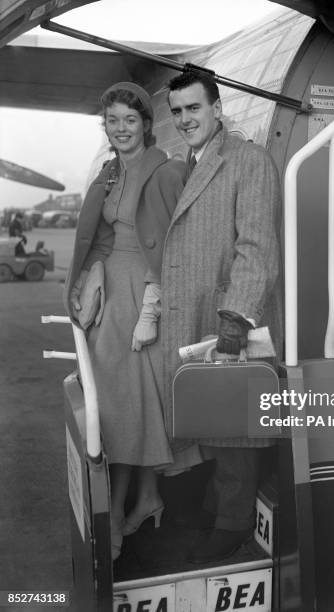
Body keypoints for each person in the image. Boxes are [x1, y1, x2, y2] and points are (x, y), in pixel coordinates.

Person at [63, 81, 200, 561]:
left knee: (119, 407)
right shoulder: (112, 172)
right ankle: (145, 498)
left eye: (130, 120)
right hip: (112, 293)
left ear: (146, 123)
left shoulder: (162, 172)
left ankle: (118, 512)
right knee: (127, 403)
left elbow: (169, 250)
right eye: (113, 121)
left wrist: (150, 310)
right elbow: (101, 235)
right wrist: (94, 272)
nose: (121, 129)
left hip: (138, 298)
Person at [165, 71, 283, 563]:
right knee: (210, 419)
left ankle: (233, 522)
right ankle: (214, 506)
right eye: (177, 111)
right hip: (191, 313)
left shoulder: (248, 159)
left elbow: (255, 248)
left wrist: (235, 323)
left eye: (194, 108)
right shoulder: (188, 163)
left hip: (225, 317)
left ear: (217, 108)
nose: (185, 119)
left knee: (235, 425)